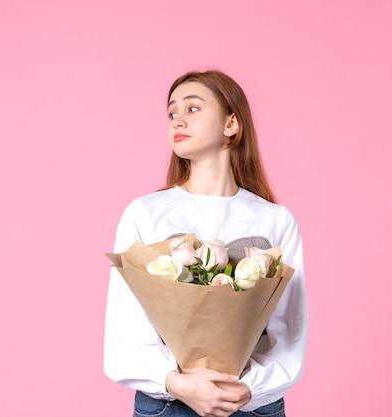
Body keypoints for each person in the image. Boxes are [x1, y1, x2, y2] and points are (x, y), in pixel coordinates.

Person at [104, 69, 308, 417]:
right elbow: (125, 332)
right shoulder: (146, 213)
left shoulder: (275, 220)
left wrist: (247, 388)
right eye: (171, 113)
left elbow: (287, 332)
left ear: (231, 124)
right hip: (169, 405)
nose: (177, 119)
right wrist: (178, 383)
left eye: (192, 108)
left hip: (253, 406)